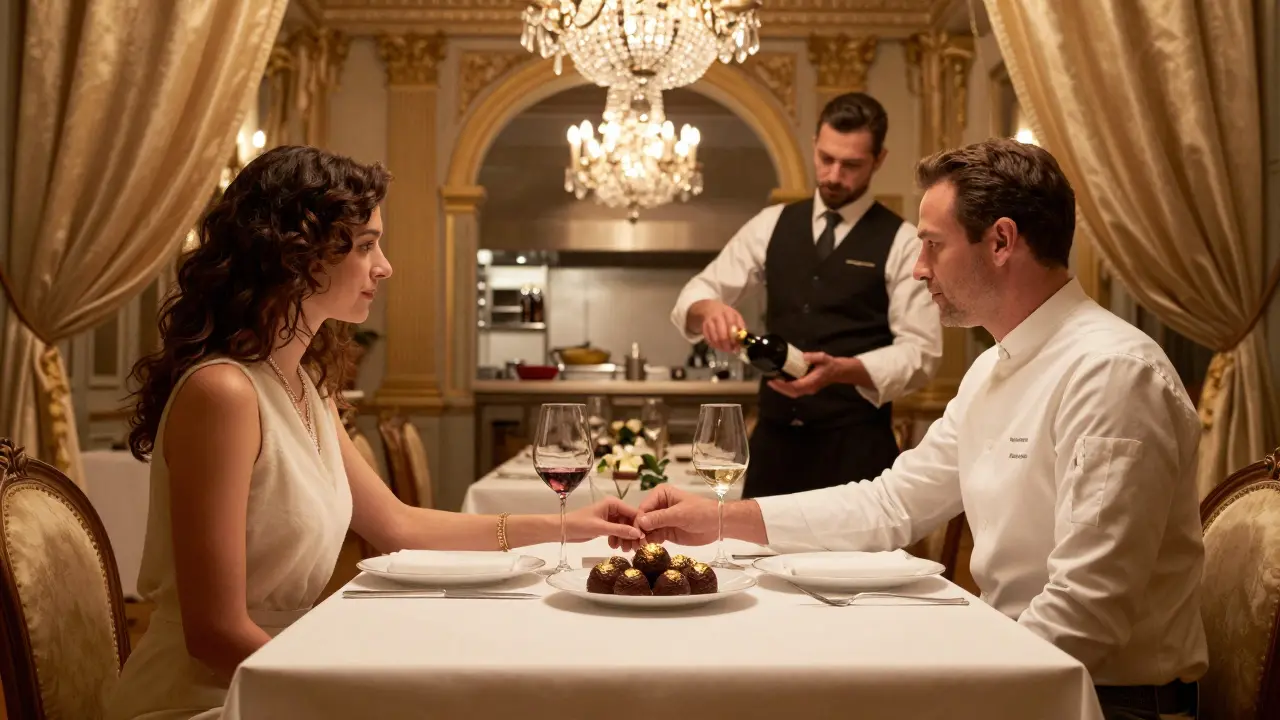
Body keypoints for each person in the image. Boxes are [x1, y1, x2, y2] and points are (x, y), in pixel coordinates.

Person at [633, 138, 1207, 719]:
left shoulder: (1112, 372)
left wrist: (952, 695)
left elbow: (1086, 613)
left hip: (1103, 700)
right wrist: (720, 519)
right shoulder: (992, 368)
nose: (917, 267)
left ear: (1002, 241)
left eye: (932, 245)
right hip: (1018, 663)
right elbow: (892, 504)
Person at [105, 146, 644, 720]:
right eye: (365, 245)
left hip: (278, 671)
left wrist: (567, 526)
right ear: (294, 255)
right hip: (214, 696)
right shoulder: (224, 393)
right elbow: (213, 634)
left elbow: (399, 525)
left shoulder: (304, 386)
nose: (384, 266)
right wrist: (345, 695)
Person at [670, 92, 942, 499]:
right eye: (826, 159)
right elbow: (697, 292)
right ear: (814, 144)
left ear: (879, 160)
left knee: (855, 566)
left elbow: (921, 353)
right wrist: (709, 310)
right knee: (753, 563)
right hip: (774, 448)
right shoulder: (772, 224)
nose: (834, 175)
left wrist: (841, 370)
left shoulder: (902, 241)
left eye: (851, 165)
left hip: (856, 451)